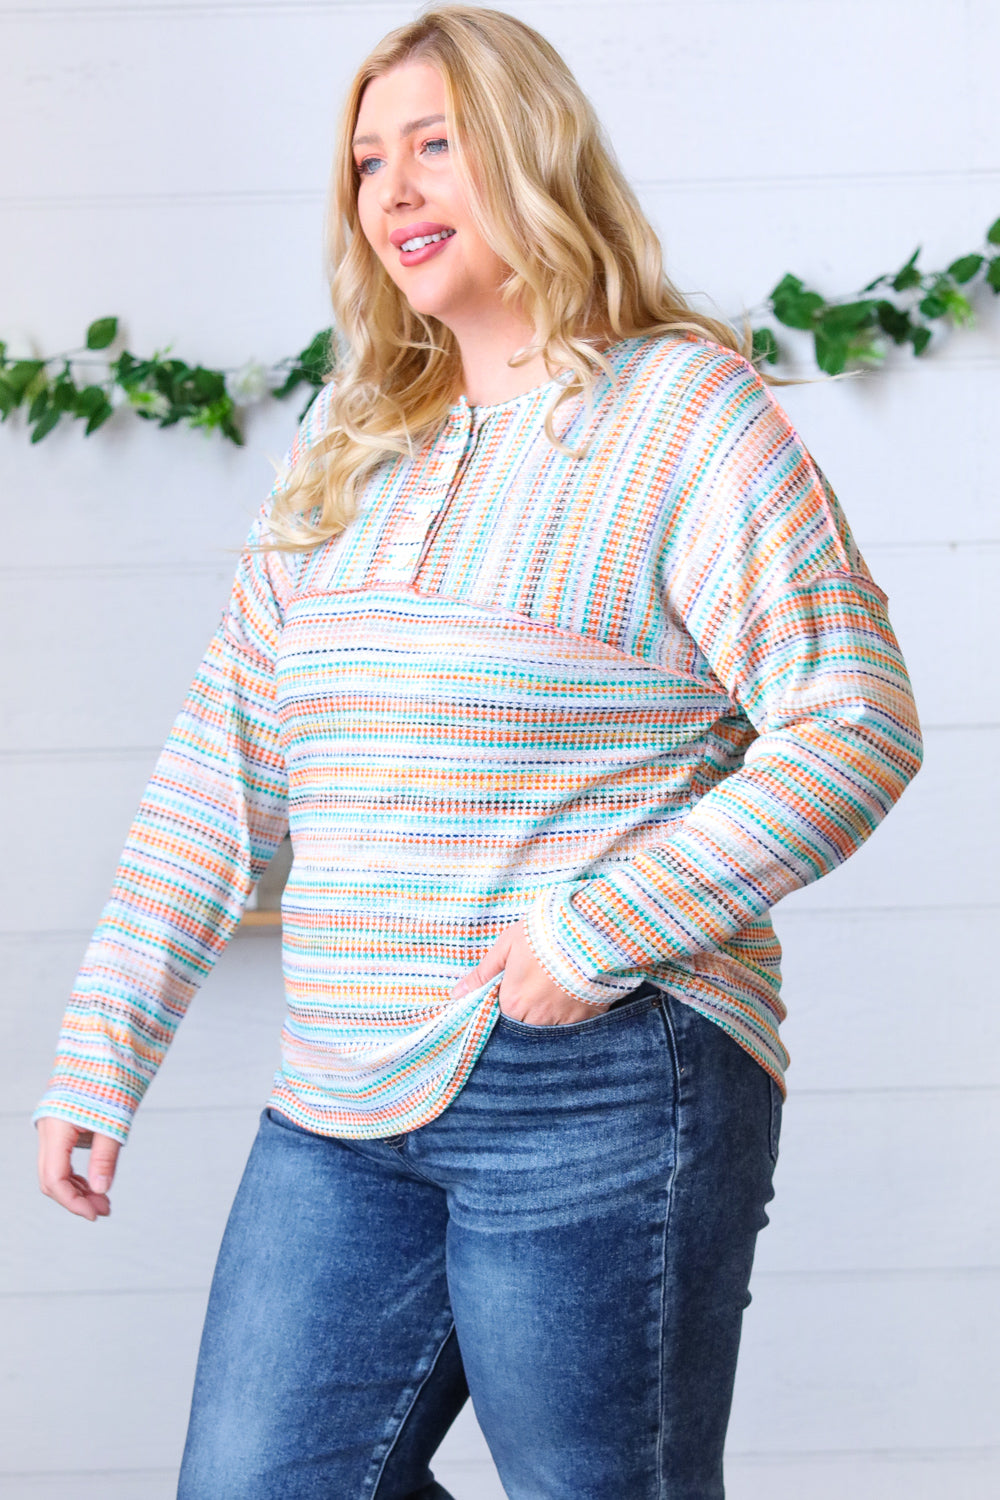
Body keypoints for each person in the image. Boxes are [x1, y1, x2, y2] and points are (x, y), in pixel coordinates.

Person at [34, 6, 923, 1497]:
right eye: (366, 159)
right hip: (337, 1094)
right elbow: (220, 767)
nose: (391, 188)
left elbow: (855, 720)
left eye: (434, 144)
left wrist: (593, 935)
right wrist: (99, 1051)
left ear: (532, 151)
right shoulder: (350, 439)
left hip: (598, 1069)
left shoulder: (682, 411)